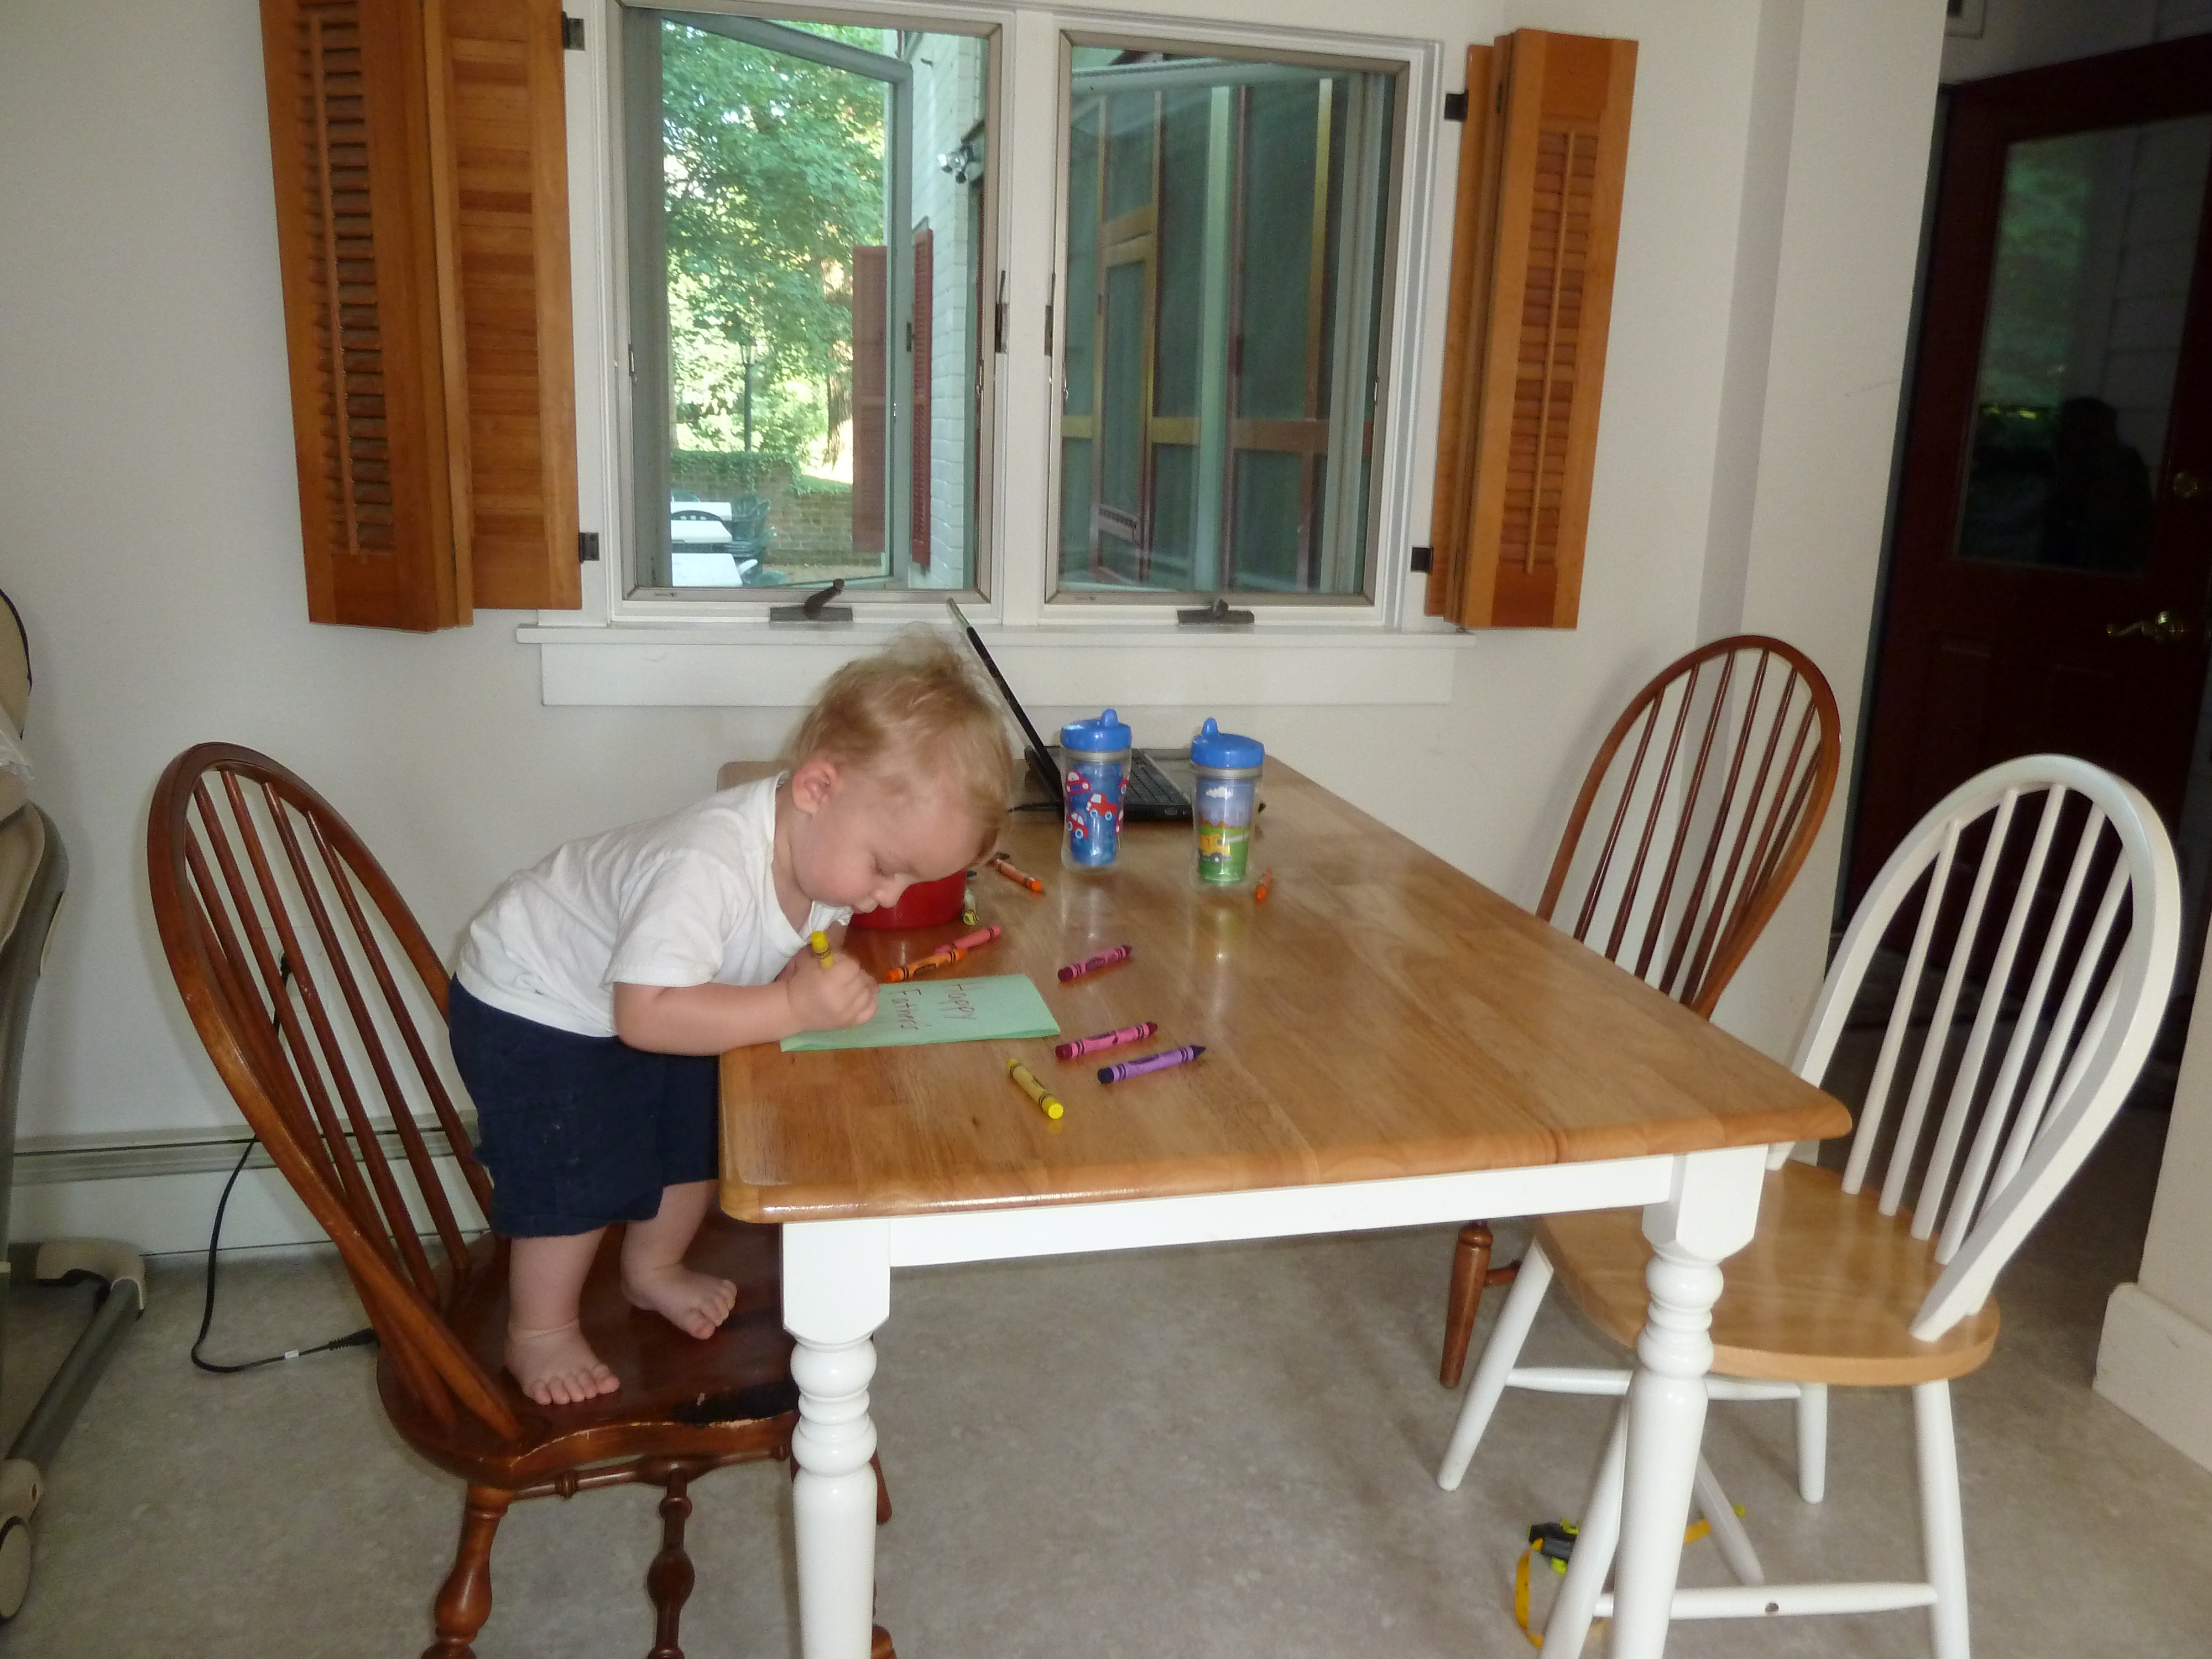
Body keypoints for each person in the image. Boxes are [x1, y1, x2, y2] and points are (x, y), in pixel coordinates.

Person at [448, 634, 1012, 1405]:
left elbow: (800, 936)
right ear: (816, 788)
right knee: (575, 1166)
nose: (887, 897)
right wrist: (791, 1006)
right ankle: (539, 1330)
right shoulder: (707, 865)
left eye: (913, 881)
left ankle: (653, 1268)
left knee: (702, 1129)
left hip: (655, 995)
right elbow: (645, 1016)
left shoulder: (822, 856)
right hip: (533, 995)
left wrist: (806, 973)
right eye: (886, 867)